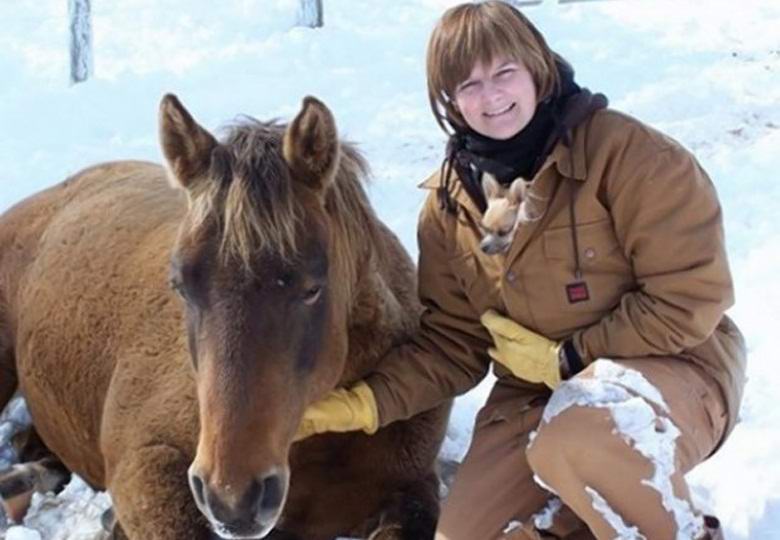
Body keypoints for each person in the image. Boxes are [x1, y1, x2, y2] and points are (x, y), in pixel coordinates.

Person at [295, 2, 746, 539]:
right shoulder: (447, 207)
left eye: (504, 73)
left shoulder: (632, 158)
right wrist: (363, 404)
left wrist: (570, 357)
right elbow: (452, 343)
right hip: (535, 393)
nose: (492, 98)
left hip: (674, 368)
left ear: (536, 69)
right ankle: (576, 514)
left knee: (579, 441)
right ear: (449, 100)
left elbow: (689, 299)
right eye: (468, 85)